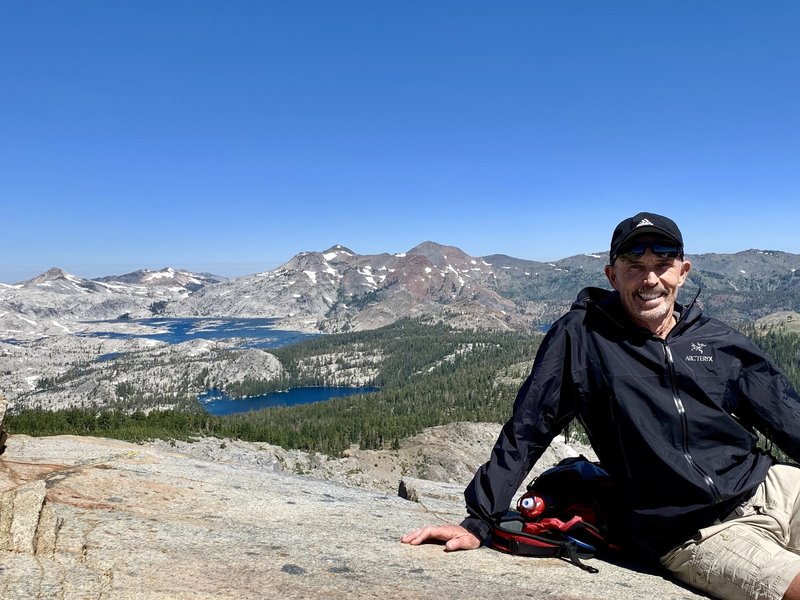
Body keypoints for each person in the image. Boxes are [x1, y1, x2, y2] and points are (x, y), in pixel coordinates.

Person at [402, 212, 800, 600]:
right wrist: (481, 519)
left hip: (771, 487)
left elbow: (785, 413)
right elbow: (529, 426)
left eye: (662, 264)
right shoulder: (583, 337)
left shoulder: (715, 339)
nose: (650, 279)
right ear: (611, 275)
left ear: (683, 271)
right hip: (691, 530)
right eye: (634, 266)